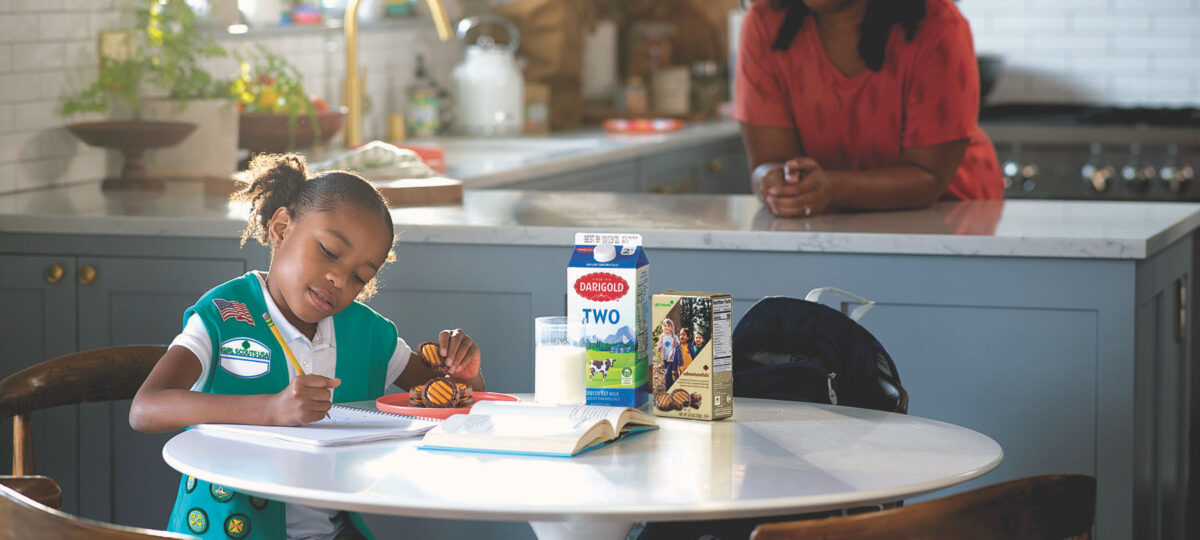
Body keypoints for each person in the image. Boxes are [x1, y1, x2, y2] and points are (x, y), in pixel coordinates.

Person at [129, 153, 484, 540]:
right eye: (329, 252)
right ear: (281, 229)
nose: (337, 278)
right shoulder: (225, 315)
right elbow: (147, 408)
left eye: (359, 277)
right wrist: (270, 409)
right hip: (225, 531)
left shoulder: (367, 334)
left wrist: (468, 376)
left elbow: (454, 403)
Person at [736, 0, 1003, 219]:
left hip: (951, 217)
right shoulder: (766, 21)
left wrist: (830, 188)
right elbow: (768, 162)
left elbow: (929, 178)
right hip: (830, 221)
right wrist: (774, 184)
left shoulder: (937, 24)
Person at [659, 318, 682, 389]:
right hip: (665, 358)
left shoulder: (674, 336)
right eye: (665, 326)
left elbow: (678, 345)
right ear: (662, 327)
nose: (666, 327)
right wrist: (659, 348)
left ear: (671, 328)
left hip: (672, 357)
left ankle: (668, 389)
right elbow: (659, 348)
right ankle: (673, 386)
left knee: (667, 373)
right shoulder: (662, 337)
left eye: (668, 326)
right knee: (669, 373)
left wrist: (676, 344)